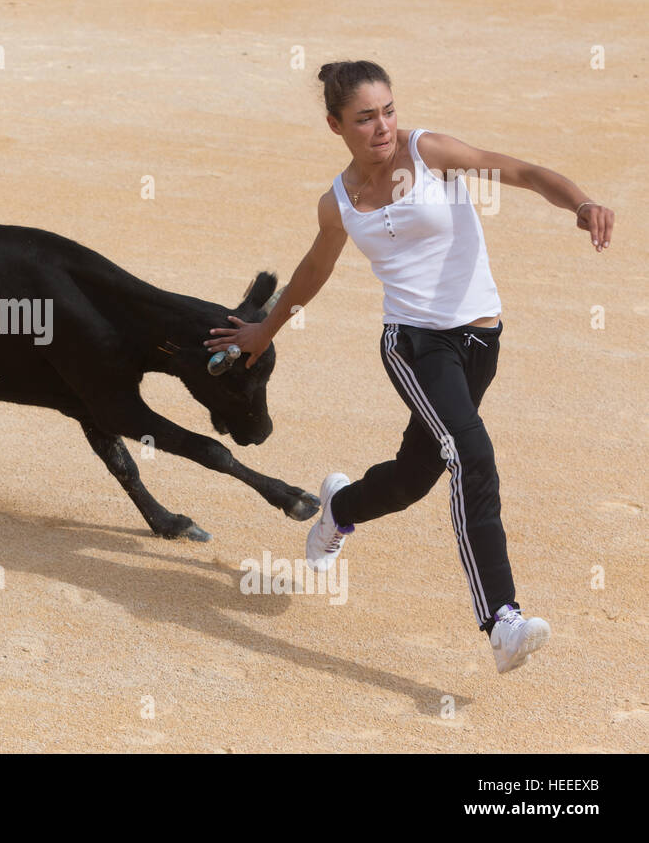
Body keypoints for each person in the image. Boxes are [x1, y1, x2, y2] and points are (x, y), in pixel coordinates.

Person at [205, 60, 614, 673]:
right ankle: (501, 620)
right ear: (334, 124)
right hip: (415, 345)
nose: (383, 127)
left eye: (388, 111)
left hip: (480, 339)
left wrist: (580, 204)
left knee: (415, 475)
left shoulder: (430, 151)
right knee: (470, 453)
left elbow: (524, 172)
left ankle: (339, 510)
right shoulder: (338, 202)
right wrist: (266, 328)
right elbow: (315, 269)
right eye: (365, 117)